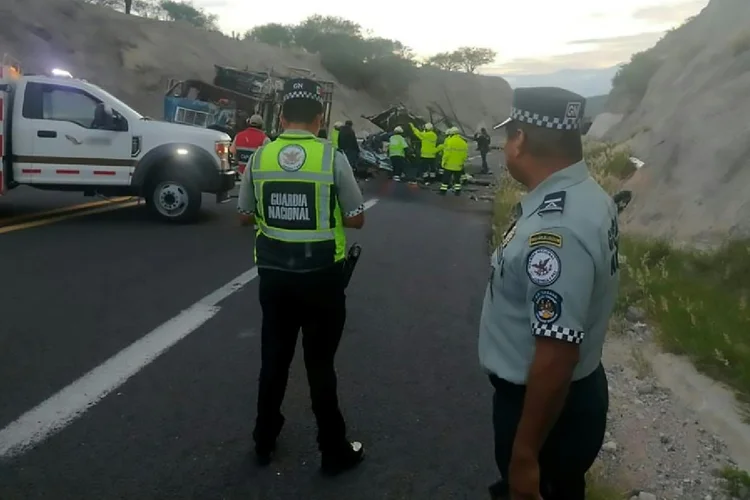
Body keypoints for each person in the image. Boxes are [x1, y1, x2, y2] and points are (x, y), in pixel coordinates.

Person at [478, 87, 619, 500]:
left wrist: (524, 455)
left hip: (545, 411)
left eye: (509, 137)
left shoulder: (555, 229)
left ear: (520, 139)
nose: (507, 146)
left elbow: (557, 352)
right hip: (569, 399)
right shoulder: (588, 197)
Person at [236, 77, 366, 476]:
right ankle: (333, 450)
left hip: (274, 277)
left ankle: (263, 439)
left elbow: (243, 216)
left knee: (273, 359)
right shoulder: (331, 158)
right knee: (319, 364)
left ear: (281, 115)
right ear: (318, 117)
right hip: (322, 278)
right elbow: (356, 218)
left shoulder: (260, 158)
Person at [437, 127, 468, 195]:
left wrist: (443, 162)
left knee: (446, 179)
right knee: (457, 179)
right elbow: (465, 155)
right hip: (458, 165)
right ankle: (457, 192)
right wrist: (462, 163)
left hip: (449, 165)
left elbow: (446, 154)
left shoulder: (449, 141)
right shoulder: (463, 142)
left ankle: (443, 191)